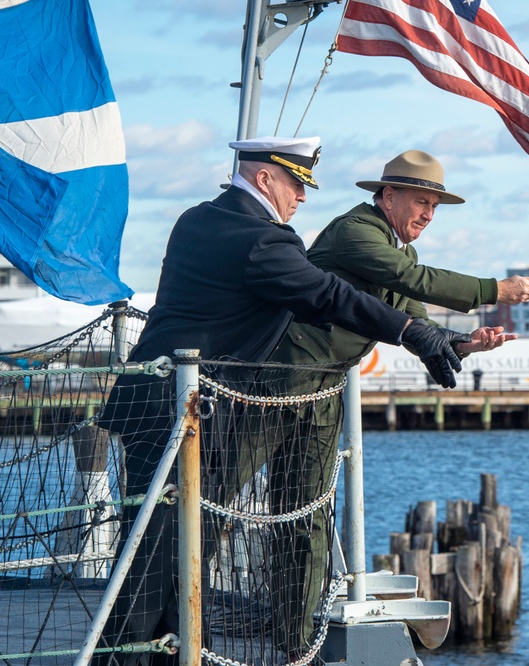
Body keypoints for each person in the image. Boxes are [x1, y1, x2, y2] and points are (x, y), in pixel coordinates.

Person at [92, 137, 463, 665]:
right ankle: (117, 659)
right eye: (296, 183)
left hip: (165, 401)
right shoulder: (262, 241)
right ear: (265, 178)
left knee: (171, 546)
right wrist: (409, 330)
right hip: (180, 408)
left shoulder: (197, 218)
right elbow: (327, 294)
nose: (303, 197)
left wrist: (420, 330)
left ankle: (170, 656)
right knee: (159, 554)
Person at [262, 149, 529, 656]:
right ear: (387, 196)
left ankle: (296, 636)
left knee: (305, 509)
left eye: (435, 207)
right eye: (421, 202)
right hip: (280, 381)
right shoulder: (357, 232)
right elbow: (414, 283)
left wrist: (466, 343)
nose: (428, 215)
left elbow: (418, 328)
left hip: (322, 386)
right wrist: (495, 289)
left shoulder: (395, 248)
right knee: (238, 494)